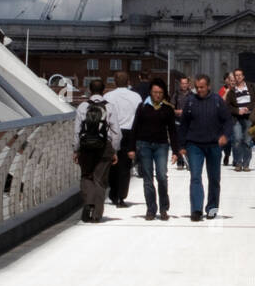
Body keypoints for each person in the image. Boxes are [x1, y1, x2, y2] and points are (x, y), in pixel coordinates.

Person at [179, 74, 231, 220]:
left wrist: (225, 136)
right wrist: (181, 145)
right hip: (194, 145)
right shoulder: (190, 101)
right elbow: (183, 125)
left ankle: (212, 209)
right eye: (197, 87)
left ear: (208, 86)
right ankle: (196, 209)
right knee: (195, 177)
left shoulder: (217, 101)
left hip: (214, 145)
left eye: (202, 87)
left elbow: (227, 121)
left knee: (214, 179)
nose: (199, 90)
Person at [128, 79, 181, 220]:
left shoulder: (168, 108)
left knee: (162, 176)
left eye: (160, 93)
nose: (157, 95)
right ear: (150, 92)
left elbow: (173, 131)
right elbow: (135, 128)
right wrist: (131, 148)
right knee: (147, 178)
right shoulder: (142, 107)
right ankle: (151, 208)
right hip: (144, 145)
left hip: (161, 146)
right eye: (155, 92)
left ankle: (164, 208)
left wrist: (176, 151)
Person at [72, 78, 122, 222]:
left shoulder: (82, 107)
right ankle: (97, 214)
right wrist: (114, 150)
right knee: (100, 180)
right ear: (103, 90)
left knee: (86, 176)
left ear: (89, 90)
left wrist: (76, 150)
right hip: (104, 147)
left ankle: (88, 202)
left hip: (86, 147)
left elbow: (77, 131)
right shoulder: (109, 107)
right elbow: (116, 132)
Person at [104, 72, 142, 206]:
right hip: (129, 133)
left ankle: (113, 193)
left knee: (112, 164)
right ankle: (121, 196)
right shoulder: (136, 97)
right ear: (128, 82)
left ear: (115, 81)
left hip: (113, 132)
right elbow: (139, 116)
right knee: (125, 166)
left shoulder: (108, 96)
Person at [224, 68, 255, 171]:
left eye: (240, 75)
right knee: (237, 139)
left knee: (247, 141)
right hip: (237, 119)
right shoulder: (232, 91)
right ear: (234, 78)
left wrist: (248, 108)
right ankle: (238, 163)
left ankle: (246, 164)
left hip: (249, 117)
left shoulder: (251, 87)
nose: (238, 77)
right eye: (236, 75)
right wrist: (237, 111)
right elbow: (228, 106)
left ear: (243, 76)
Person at [171, 75, 192, 169]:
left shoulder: (192, 95)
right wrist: (177, 111)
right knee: (179, 142)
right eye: (182, 83)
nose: (184, 85)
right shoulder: (176, 94)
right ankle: (180, 162)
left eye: (185, 83)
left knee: (188, 142)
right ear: (180, 84)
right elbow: (171, 107)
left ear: (188, 84)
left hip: (189, 123)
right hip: (178, 122)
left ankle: (188, 160)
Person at [217, 72, 235, 165]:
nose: (231, 81)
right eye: (230, 79)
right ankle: (219, 156)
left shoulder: (238, 90)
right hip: (224, 118)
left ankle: (228, 155)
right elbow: (220, 101)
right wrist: (227, 92)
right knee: (224, 138)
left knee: (232, 140)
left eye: (233, 80)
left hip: (234, 117)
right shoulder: (223, 89)